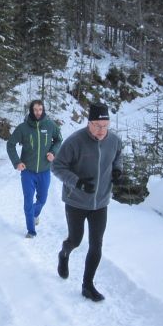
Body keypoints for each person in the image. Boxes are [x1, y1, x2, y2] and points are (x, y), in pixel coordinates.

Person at [51, 102, 122, 302]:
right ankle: (64, 254)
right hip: (76, 202)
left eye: (105, 125)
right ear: (89, 123)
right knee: (76, 240)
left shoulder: (114, 140)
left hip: (100, 202)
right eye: (97, 125)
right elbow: (57, 167)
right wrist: (78, 183)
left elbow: (118, 156)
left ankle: (87, 285)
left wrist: (117, 170)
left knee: (96, 244)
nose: (102, 130)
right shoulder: (75, 141)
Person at [6, 99, 62, 238]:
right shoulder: (23, 128)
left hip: (44, 170)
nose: (38, 112)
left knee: (42, 199)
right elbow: (10, 144)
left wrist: (53, 152)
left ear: (43, 110)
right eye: (35, 110)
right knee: (28, 200)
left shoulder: (50, 125)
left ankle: (35, 214)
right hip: (28, 172)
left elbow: (59, 140)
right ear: (31, 110)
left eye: (40, 109)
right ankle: (31, 230)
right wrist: (17, 162)